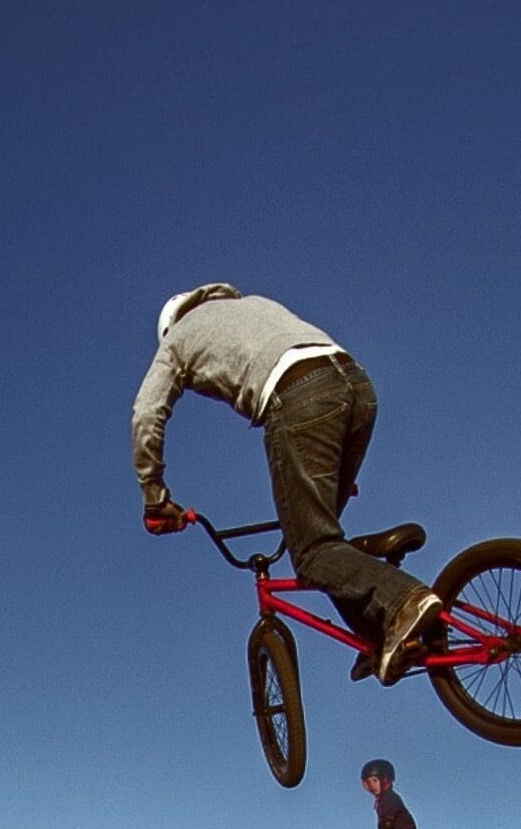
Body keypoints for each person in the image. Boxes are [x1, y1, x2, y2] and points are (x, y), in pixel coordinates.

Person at [133, 284, 443, 684]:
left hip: (301, 397)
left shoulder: (178, 339)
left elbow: (146, 414)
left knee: (313, 552)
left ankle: (404, 600)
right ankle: (380, 636)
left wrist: (154, 497)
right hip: (356, 385)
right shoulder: (252, 304)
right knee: (322, 539)